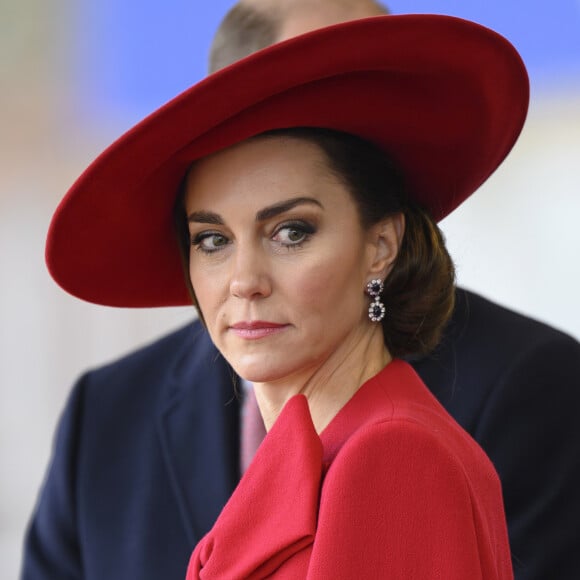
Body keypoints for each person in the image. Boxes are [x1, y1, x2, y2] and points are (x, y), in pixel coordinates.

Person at [20, 3, 580, 580]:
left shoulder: (391, 453)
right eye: (212, 240)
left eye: (292, 232)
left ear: (381, 245)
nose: (244, 281)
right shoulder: (300, 443)